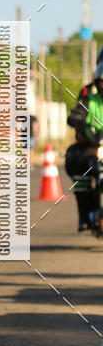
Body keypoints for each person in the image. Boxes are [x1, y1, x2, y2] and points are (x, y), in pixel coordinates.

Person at [65, 64, 103, 231]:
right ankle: (84, 212)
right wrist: (76, 118)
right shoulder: (89, 97)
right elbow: (79, 111)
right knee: (75, 159)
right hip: (92, 145)